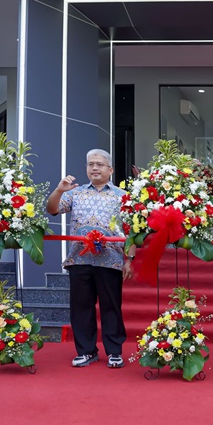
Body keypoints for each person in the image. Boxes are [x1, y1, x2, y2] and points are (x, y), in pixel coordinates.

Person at [46, 149, 131, 368]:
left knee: (111, 306)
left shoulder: (122, 196)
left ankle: (114, 351)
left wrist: (129, 258)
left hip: (111, 259)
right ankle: (86, 350)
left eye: (100, 164)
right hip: (79, 258)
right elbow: (52, 209)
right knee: (81, 306)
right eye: (91, 164)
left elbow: (132, 229)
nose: (94, 168)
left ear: (110, 170)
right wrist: (58, 190)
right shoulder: (75, 192)